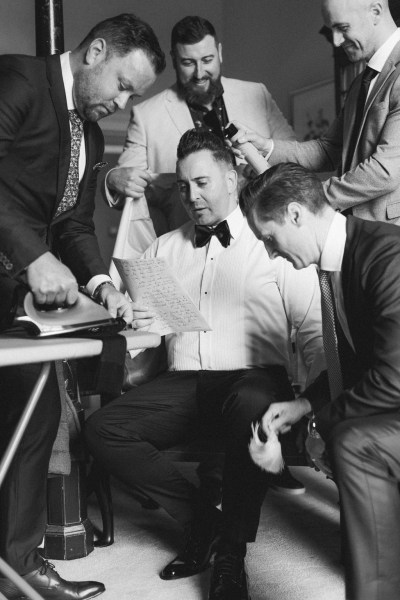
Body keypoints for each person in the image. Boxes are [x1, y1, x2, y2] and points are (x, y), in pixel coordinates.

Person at [86, 130, 324, 600]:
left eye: (202, 183)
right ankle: (204, 520)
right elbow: (142, 340)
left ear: (232, 179)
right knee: (101, 430)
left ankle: (231, 556)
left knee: (250, 402)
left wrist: (312, 403)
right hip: (184, 381)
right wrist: (134, 320)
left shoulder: (272, 240)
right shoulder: (162, 249)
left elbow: (313, 330)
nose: (191, 197)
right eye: (182, 187)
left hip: (254, 379)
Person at [0, 13, 165, 600]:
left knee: (36, 420)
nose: (121, 103)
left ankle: (18, 568)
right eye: (121, 84)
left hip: (21, 302)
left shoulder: (91, 137)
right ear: (94, 51)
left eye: (133, 96)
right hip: (13, 272)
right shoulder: (19, 80)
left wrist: (102, 286)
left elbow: (71, 223)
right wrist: (30, 257)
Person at [240, 161, 400, 600]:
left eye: (269, 239)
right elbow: (353, 356)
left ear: (296, 214)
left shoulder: (387, 256)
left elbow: (392, 378)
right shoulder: (339, 263)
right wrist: (305, 404)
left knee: (350, 440)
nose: (271, 254)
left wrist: (319, 427)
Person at [104, 14, 295, 241]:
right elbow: (128, 186)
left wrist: (261, 163)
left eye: (207, 60)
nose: (199, 73)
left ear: (220, 52)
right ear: (174, 59)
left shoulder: (257, 94)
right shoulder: (146, 116)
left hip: (264, 242)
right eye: (188, 63)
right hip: (188, 249)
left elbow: (294, 158)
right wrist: (113, 179)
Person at [230, 0, 400, 224]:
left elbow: (385, 171)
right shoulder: (360, 82)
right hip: (356, 232)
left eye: (343, 28)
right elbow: (328, 150)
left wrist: (311, 199)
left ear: (376, 12)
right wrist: (266, 147)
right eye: (332, 30)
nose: (337, 41)